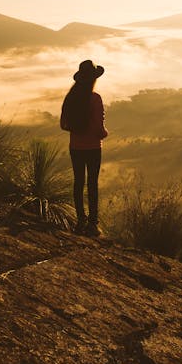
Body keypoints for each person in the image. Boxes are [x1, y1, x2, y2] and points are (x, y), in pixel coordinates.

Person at [60, 60, 108, 236]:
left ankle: (80, 221)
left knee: (78, 183)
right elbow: (98, 128)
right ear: (93, 79)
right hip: (93, 148)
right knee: (92, 184)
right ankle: (93, 223)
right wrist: (105, 134)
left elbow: (63, 124)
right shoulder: (95, 99)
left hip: (76, 147)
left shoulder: (70, 98)